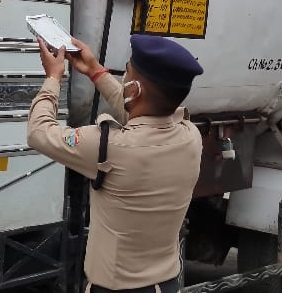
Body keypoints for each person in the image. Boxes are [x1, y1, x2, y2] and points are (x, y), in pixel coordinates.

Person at [28, 35, 204, 293]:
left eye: (127, 72)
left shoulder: (109, 147)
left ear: (135, 89)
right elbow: (142, 112)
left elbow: (39, 132)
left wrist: (53, 78)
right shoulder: (190, 136)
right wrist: (95, 71)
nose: (124, 79)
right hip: (166, 285)